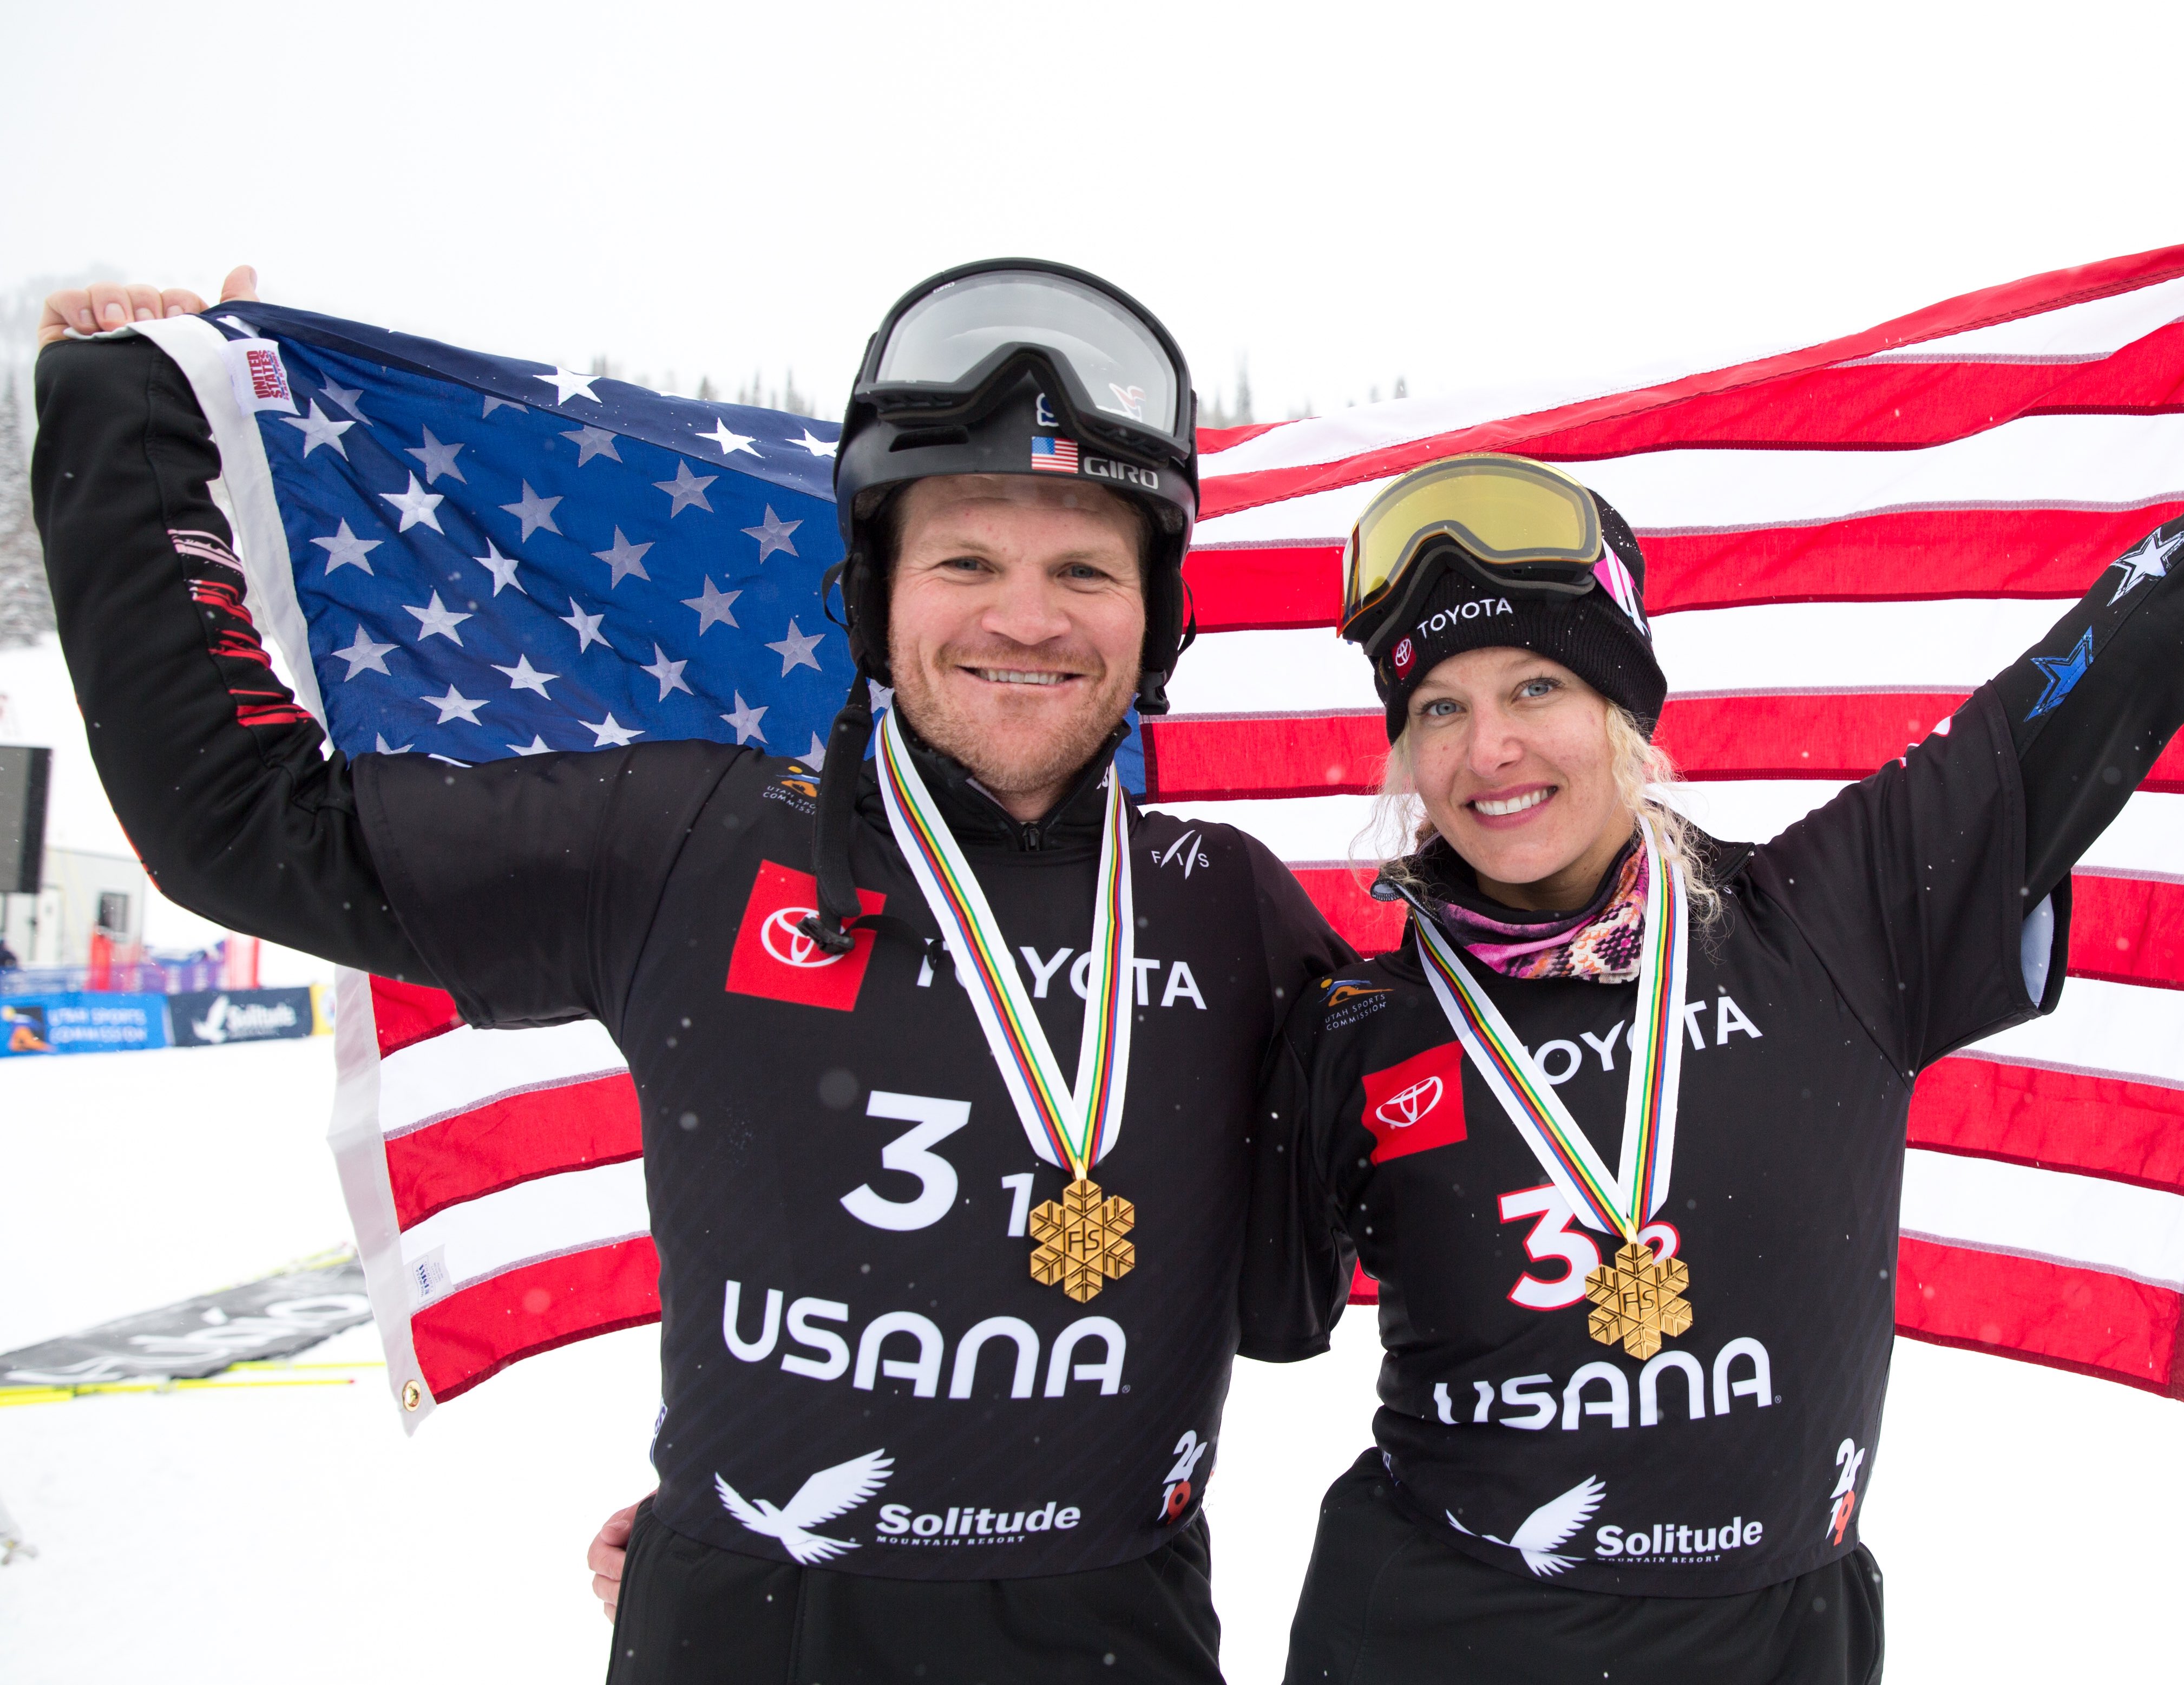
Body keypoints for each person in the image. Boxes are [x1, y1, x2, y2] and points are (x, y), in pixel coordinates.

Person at [35, 259, 1349, 1681]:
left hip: (1112, 1644)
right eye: (966, 559)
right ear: (874, 600)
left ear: (1160, 621)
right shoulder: (693, 846)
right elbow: (243, 823)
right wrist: (131, 425)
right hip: (740, 1636)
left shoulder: (1237, 916)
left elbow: (1489, 1192)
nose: (1023, 619)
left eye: (1084, 568)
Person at [1241, 187, 2184, 1683]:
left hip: (1779, 1645)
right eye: (1440, 708)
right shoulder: (1357, 1023)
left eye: (1538, 688)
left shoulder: (1836, 914)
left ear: (1627, 717)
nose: (1491, 747)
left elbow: (2150, 631)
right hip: (1426, 1640)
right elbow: (1255, 1307)